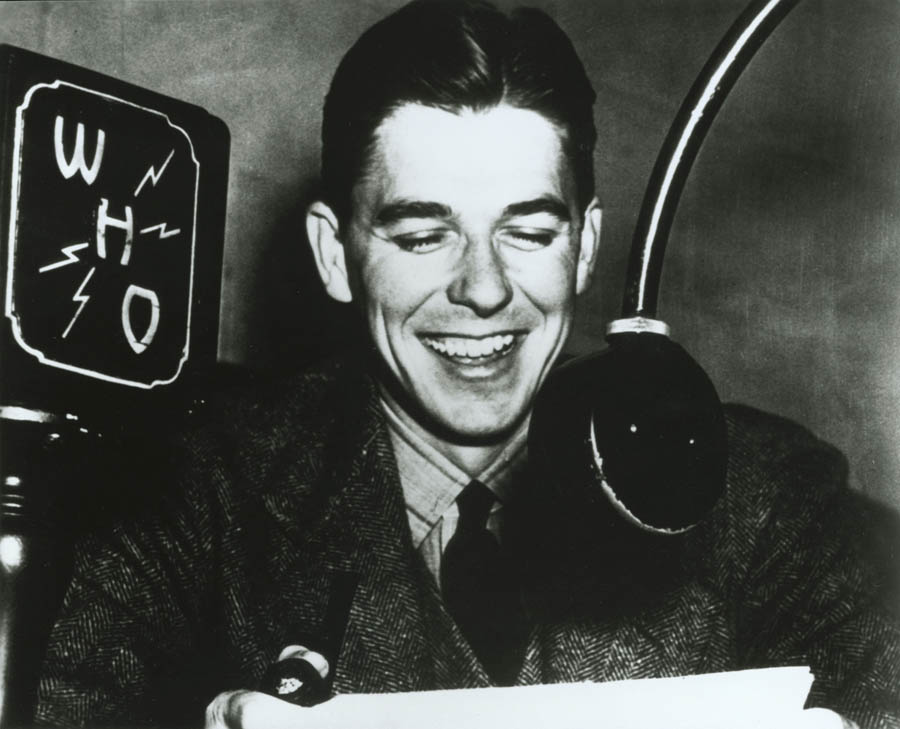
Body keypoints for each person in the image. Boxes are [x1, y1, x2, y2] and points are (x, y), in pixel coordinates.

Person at [35, 1, 900, 727]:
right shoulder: (189, 497)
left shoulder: (765, 502)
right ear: (335, 254)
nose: (483, 289)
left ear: (585, 246)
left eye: (528, 232)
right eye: (422, 235)